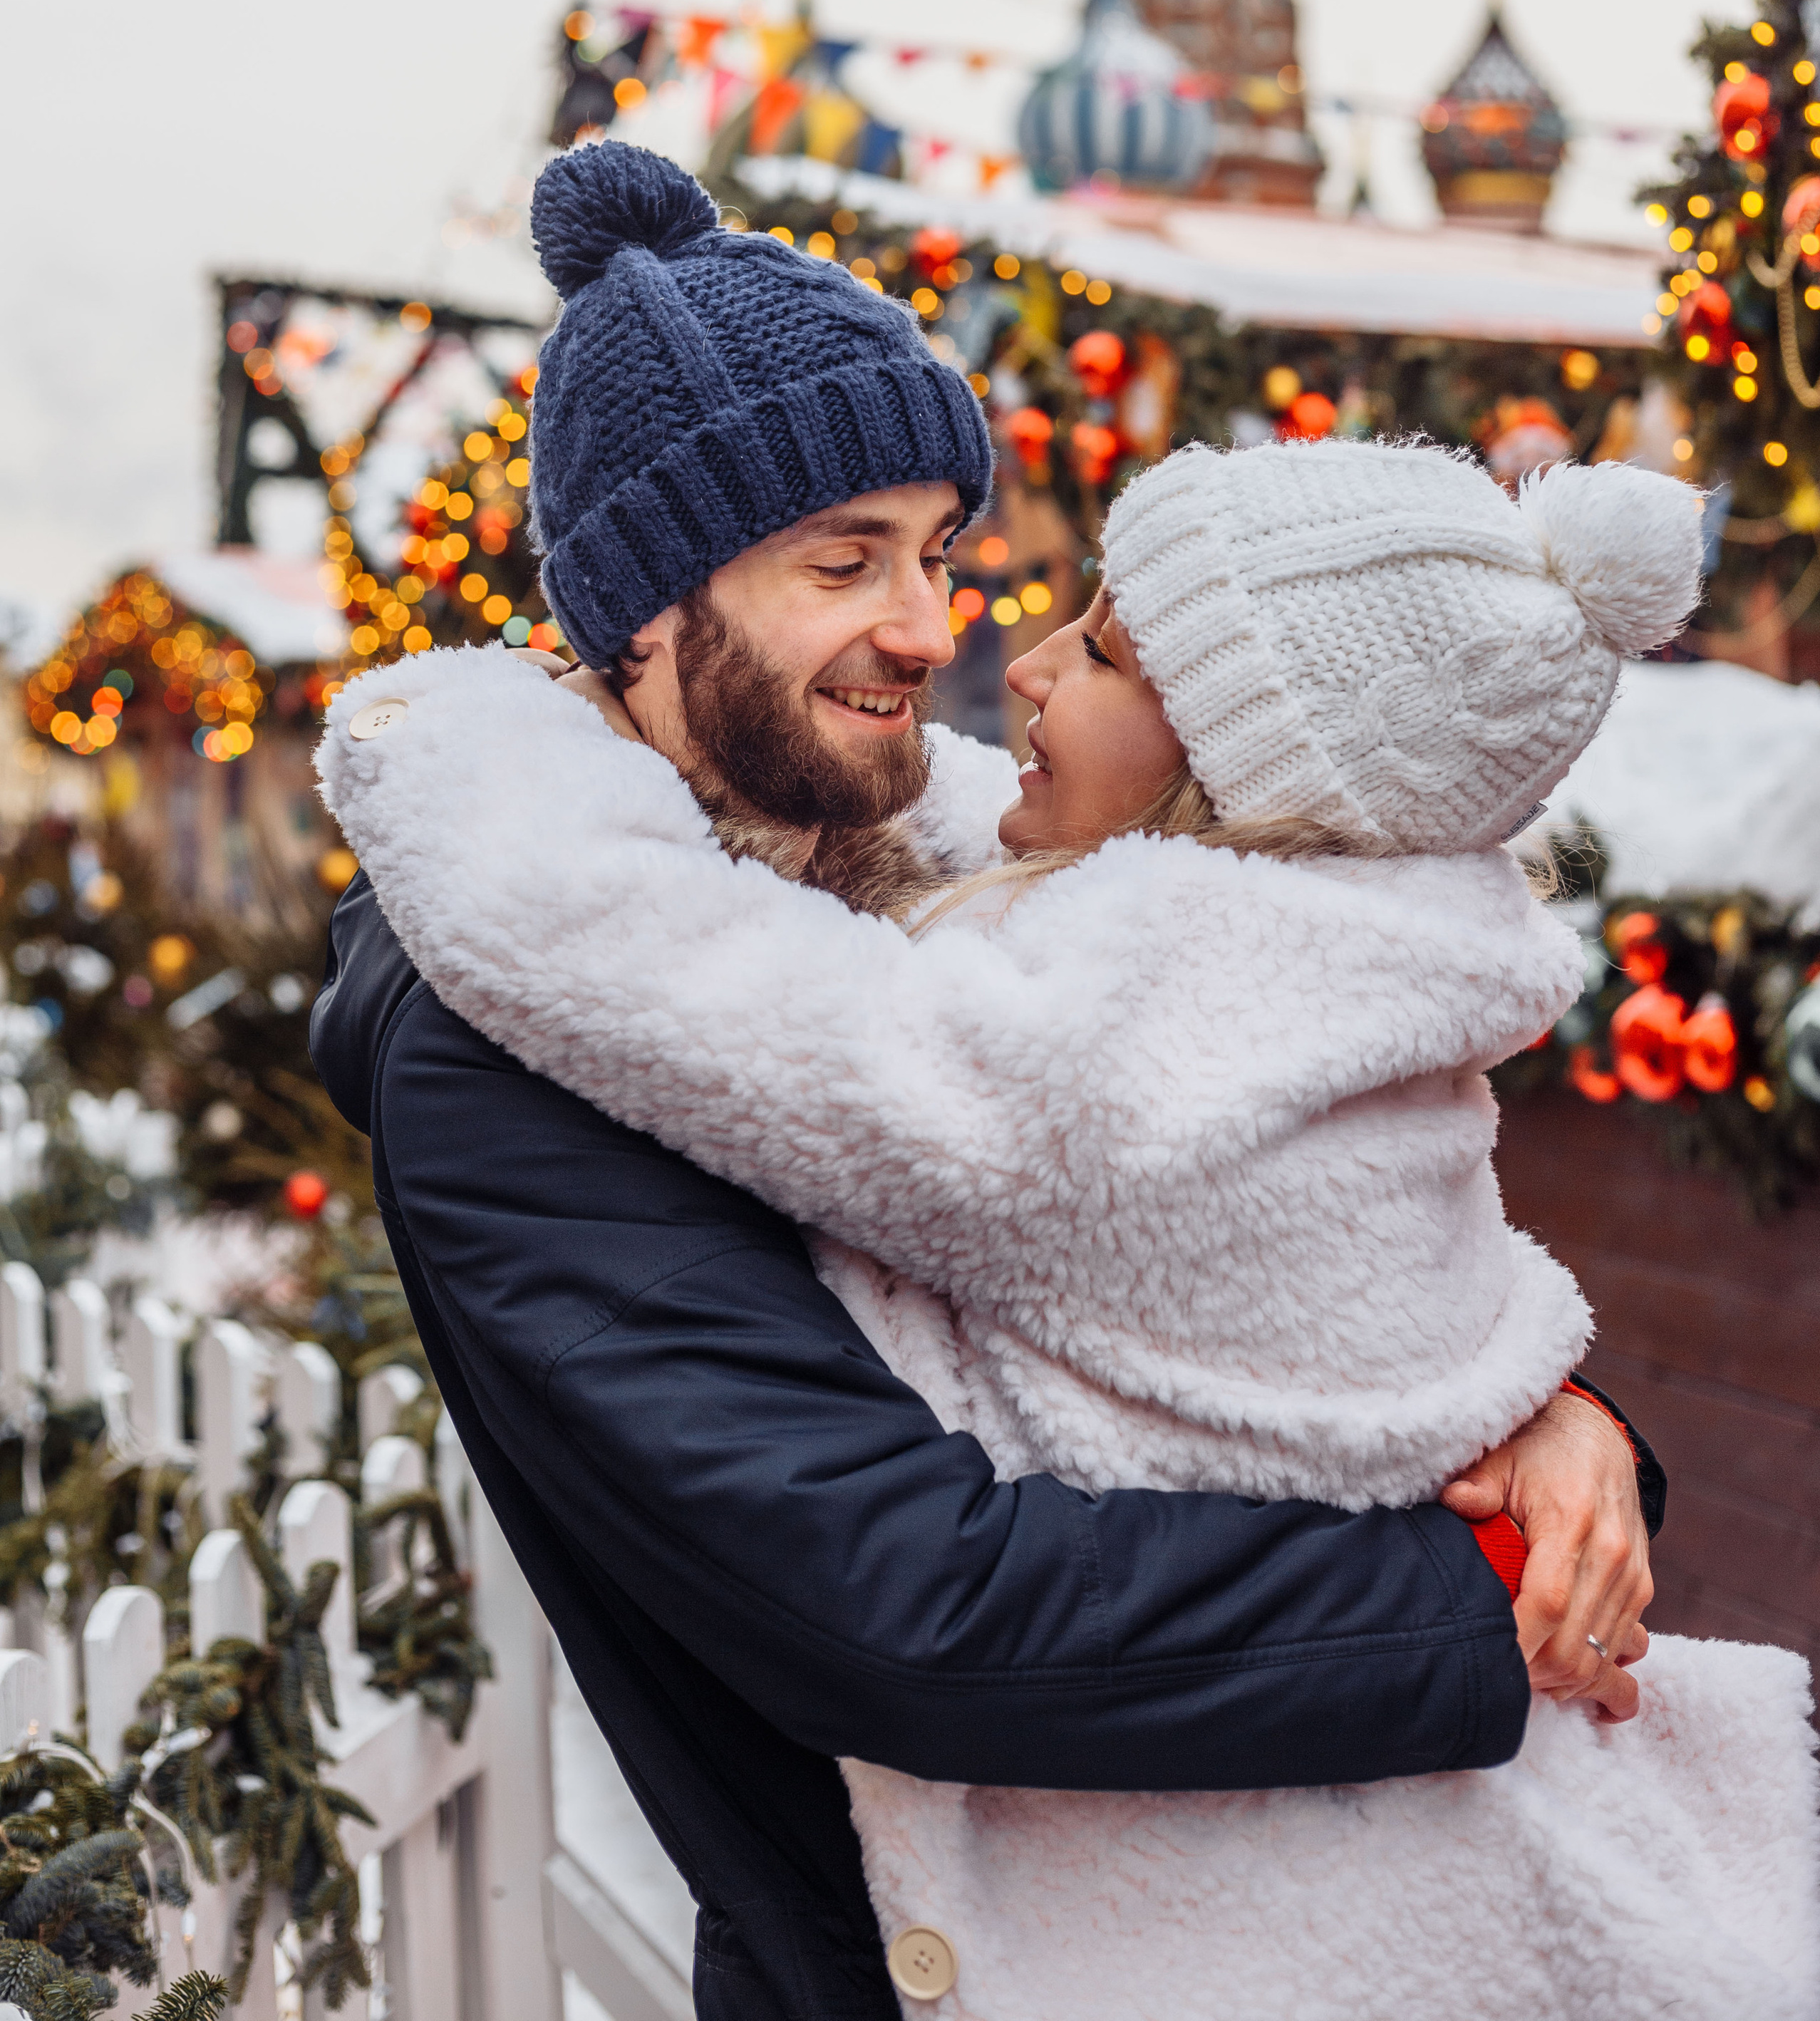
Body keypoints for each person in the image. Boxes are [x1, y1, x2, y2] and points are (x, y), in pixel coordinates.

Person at [309, 143, 1668, 2021]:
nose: (937, 632)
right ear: (642, 606)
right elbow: (912, 1607)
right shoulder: (516, 1047)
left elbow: (1261, 1259)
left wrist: (1551, 1411)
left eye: (938, 553)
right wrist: (1493, 1588)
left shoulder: (930, 884)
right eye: (842, 561)